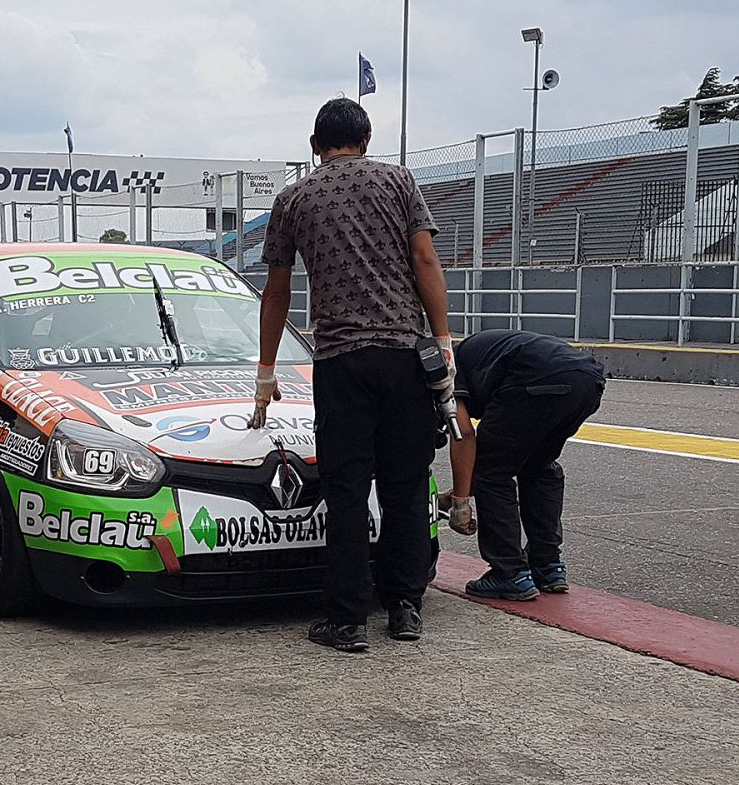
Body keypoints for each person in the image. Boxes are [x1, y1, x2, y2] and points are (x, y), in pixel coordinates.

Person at [254, 98, 453, 652]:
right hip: (403, 356)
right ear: (365, 141)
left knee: (346, 492)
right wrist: (441, 341)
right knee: (406, 487)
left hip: (340, 362)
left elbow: (277, 290)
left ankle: (346, 620)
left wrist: (267, 369)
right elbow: (426, 262)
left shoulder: (293, 198)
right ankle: (406, 608)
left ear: (315, 146)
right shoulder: (399, 181)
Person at [445, 329, 605, 600]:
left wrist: (461, 500)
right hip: (587, 381)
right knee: (538, 467)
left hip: (536, 381)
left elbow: (464, 435)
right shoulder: (476, 352)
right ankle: (548, 566)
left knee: (491, 472)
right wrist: (459, 490)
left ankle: (509, 573)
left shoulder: (444, 368)